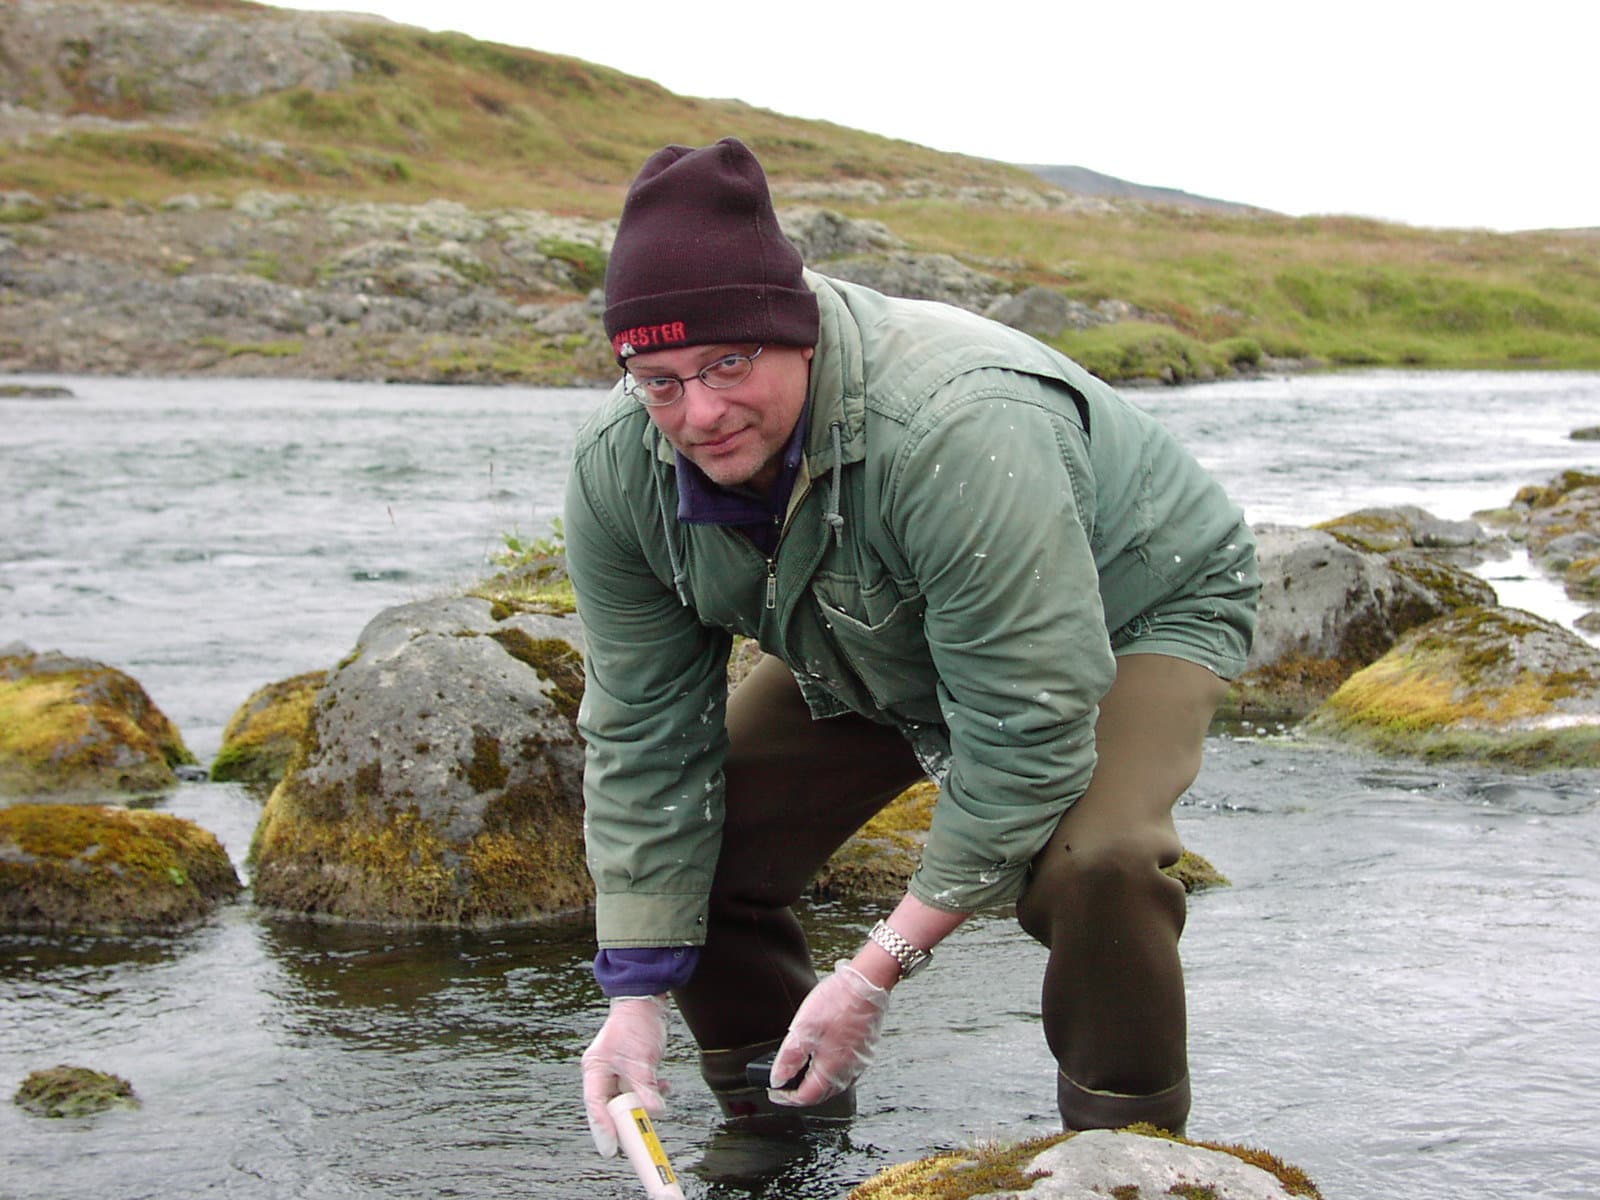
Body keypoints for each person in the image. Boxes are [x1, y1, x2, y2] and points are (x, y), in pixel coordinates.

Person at [570, 137, 1259, 1159]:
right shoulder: (619, 472)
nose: (699, 414)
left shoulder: (956, 421)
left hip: (1131, 606)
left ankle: (1127, 1154)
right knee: (701, 845)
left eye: (727, 365)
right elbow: (642, 739)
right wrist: (635, 993)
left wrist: (874, 969)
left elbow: (1026, 726)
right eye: (659, 380)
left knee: (1096, 863)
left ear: (794, 332)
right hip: (868, 624)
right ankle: (778, 1125)